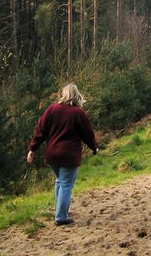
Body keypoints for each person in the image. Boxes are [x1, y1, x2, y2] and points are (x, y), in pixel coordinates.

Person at [27, 84, 98, 226]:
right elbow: (88, 134)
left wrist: (32, 149)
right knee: (66, 184)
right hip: (69, 155)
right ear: (77, 96)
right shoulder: (78, 113)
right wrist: (94, 147)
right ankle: (61, 217)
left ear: (63, 94)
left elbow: (40, 130)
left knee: (60, 180)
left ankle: (60, 210)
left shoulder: (52, 109)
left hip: (52, 155)